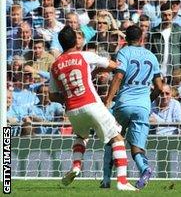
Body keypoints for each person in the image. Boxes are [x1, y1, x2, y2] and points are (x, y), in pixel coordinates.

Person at [48, 26, 136, 191]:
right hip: (91, 103)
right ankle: (122, 181)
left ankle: (76, 166)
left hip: (72, 110)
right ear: (75, 41)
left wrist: (68, 96)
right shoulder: (85, 56)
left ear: (61, 44)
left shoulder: (55, 65)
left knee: (81, 136)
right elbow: (113, 65)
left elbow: (52, 96)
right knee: (116, 137)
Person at [101, 25, 164, 189]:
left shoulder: (124, 52)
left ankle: (106, 179)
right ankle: (145, 168)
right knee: (137, 147)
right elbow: (159, 87)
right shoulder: (151, 56)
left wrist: (108, 100)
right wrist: (147, 101)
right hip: (143, 106)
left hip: (124, 103)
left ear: (125, 39)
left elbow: (119, 76)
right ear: (142, 38)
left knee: (113, 140)